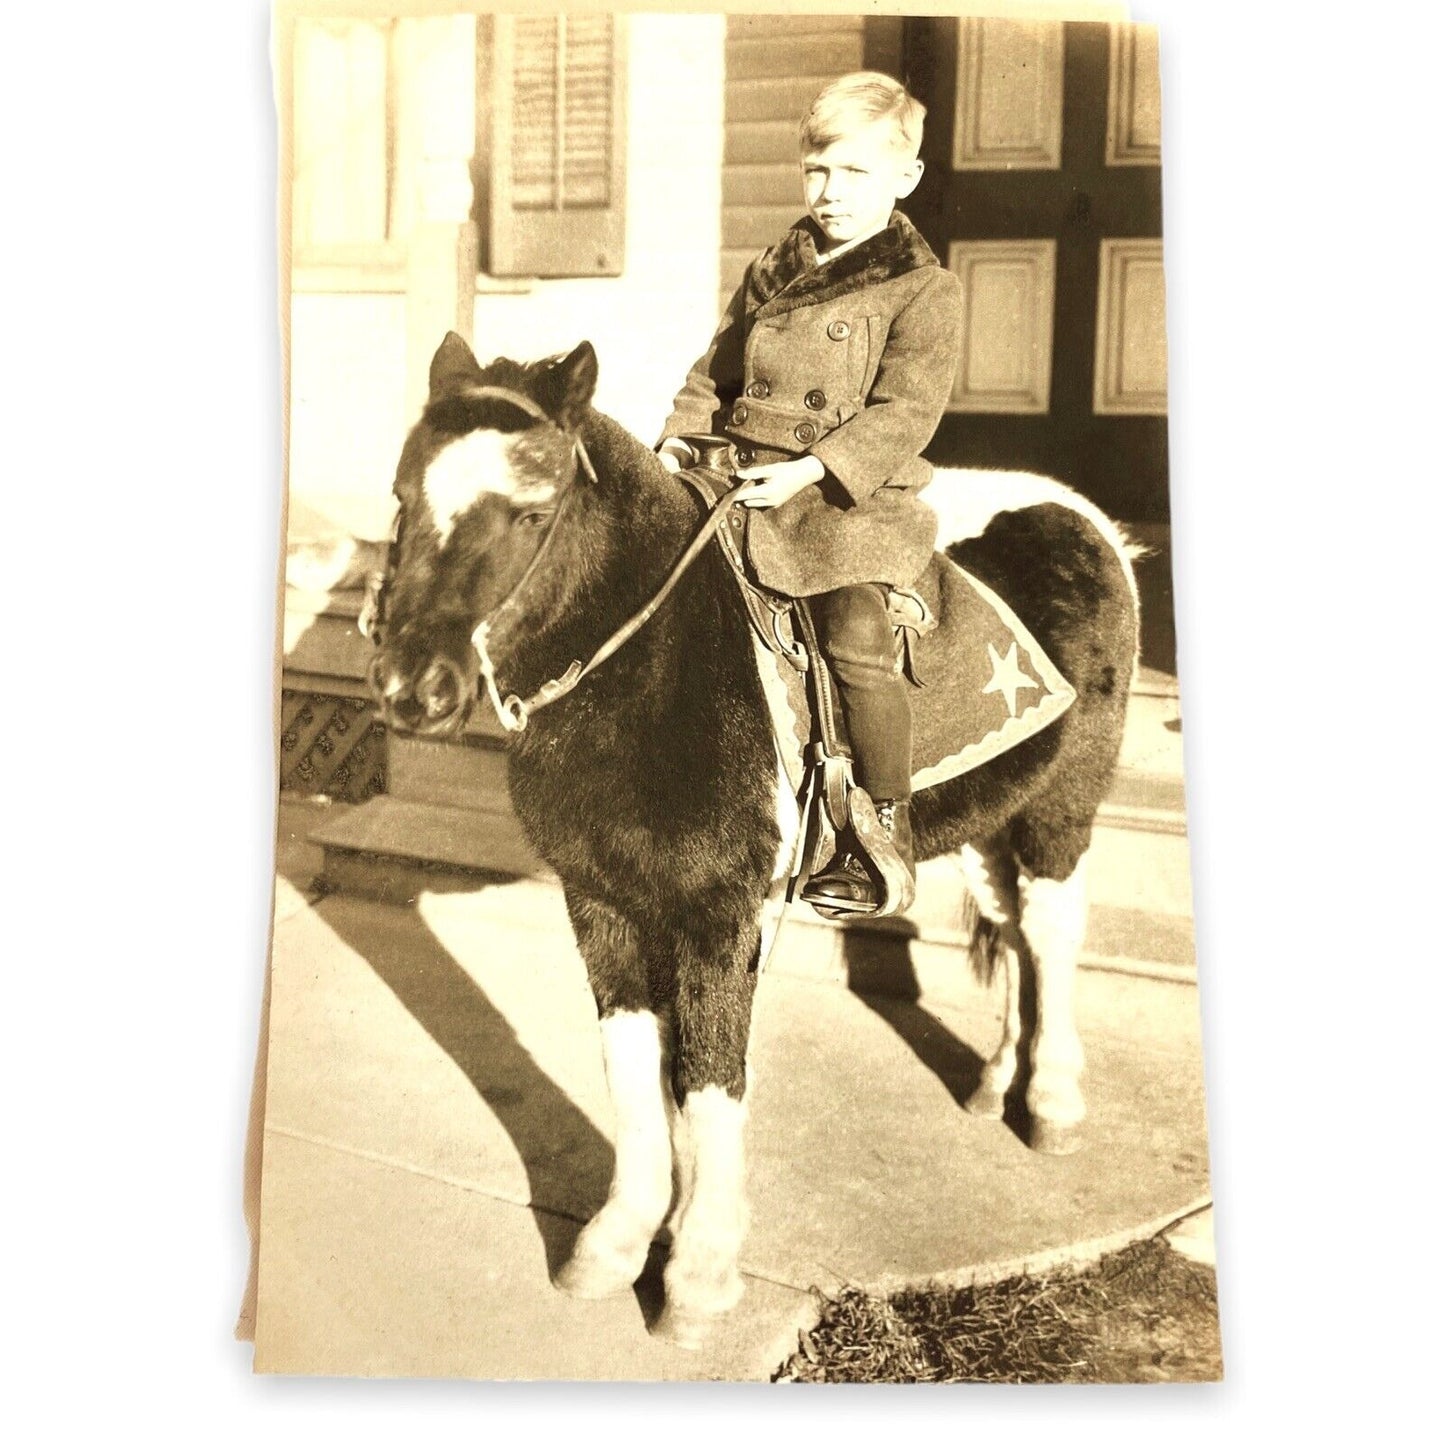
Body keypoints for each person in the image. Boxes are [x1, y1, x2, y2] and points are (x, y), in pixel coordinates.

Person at [656, 71, 965, 915]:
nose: (831, 194)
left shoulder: (922, 288)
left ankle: (880, 829)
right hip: (741, 476)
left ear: (905, 178)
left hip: (846, 500)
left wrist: (812, 468)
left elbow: (906, 411)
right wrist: (681, 437)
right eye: (818, 171)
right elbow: (713, 369)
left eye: (856, 173)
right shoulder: (775, 265)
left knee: (854, 632)